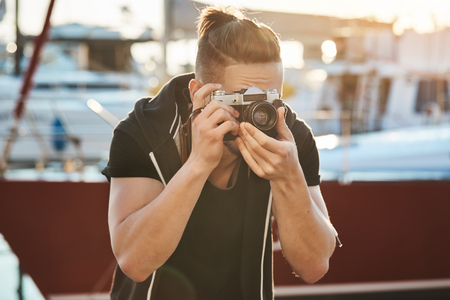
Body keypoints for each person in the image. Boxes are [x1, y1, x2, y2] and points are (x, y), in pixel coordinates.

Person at [102, 5, 337, 300]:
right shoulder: (143, 132)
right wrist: (197, 164)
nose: (258, 113)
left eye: (268, 98)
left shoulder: (287, 133)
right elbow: (134, 263)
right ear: (199, 93)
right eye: (244, 99)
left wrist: (288, 178)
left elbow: (314, 266)